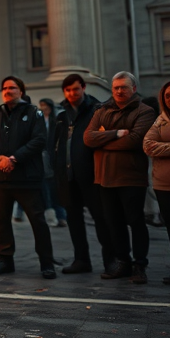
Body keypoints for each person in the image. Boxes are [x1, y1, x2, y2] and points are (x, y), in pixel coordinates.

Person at [0, 76, 56, 279]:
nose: (7, 91)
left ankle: (46, 263)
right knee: (0, 220)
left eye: (12, 88)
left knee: (37, 221)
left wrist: (14, 158)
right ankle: (5, 260)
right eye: (4, 88)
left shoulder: (34, 113)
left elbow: (39, 139)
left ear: (21, 91)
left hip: (26, 177)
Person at [85, 72, 157, 283]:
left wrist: (103, 139)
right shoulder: (102, 110)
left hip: (131, 177)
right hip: (105, 176)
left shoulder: (145, 111)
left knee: (136, 222)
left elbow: (134, 141)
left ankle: (140, 265)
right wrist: (116, 134)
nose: (118, 91)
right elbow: (88, 138)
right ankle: (123, 263)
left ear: (133, 89)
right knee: (113, 223)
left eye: (123, 87)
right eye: (115, 87)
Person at [53, 74, 108, 274]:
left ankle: (110, 260)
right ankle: (81, 260)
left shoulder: (97, 110)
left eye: (75, 89)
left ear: (83, 88)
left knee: (101, 219)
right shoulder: (61, 115)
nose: (72, 94)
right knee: (74, 221)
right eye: (68, 90)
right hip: (68, 178)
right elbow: (55, 146)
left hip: (92, 176)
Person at [144, 79, 170, 286]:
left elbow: (156, 146)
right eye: (168, 95)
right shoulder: (161, 120)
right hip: (164, 185)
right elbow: (148, 145)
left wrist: (163, 147)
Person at [38, 98, 68, 227]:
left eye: (45, 105)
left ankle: (61, 216)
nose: (43, 108)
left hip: (53, 159)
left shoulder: (56, 120)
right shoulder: (38, 120)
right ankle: (50, 216)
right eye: (41, 106)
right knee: (45, 190)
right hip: (41, 159)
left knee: (55, 189)